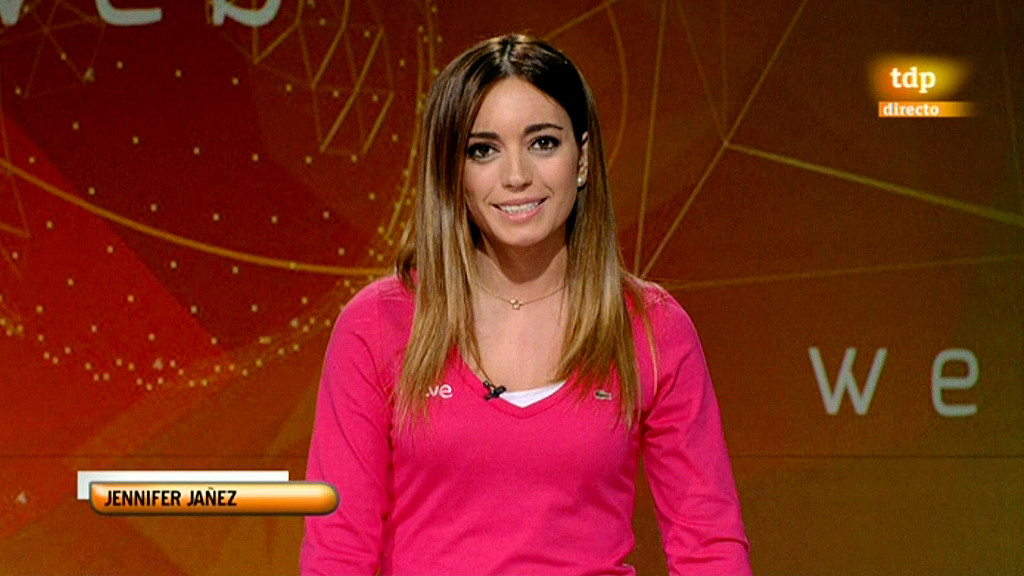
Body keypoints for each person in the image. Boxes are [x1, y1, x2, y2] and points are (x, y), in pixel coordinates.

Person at [301, 34, 751, 576]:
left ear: (582, 159)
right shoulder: (377, 325)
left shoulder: (652, 328)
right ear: (452, 172)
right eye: (483, 150)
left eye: (542, 143)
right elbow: (337, 553)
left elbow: (710, 549)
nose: (516, 176)